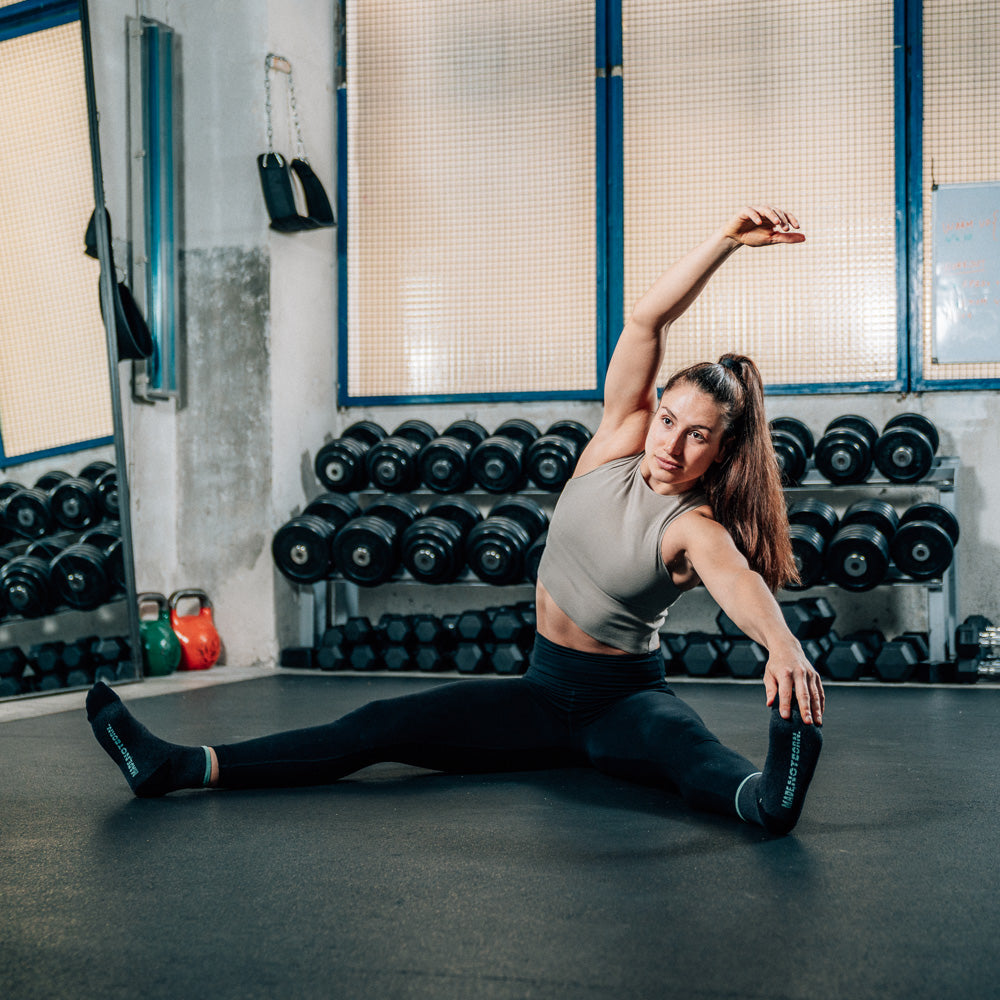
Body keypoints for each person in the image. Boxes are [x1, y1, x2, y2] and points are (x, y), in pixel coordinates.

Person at [87, 204, 824, 836]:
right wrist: (725, 241)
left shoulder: (694, 525)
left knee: (685, 751)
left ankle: (766, 799)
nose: (672, 443)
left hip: (623, 701)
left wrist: (783, 645)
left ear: (722, 450)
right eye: (669, 419)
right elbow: (647, 318)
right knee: (376, 727)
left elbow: (738, 583)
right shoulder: (616, 442)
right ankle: (178, 764)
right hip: (537, 692)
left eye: (698, 435)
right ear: (652, 409)